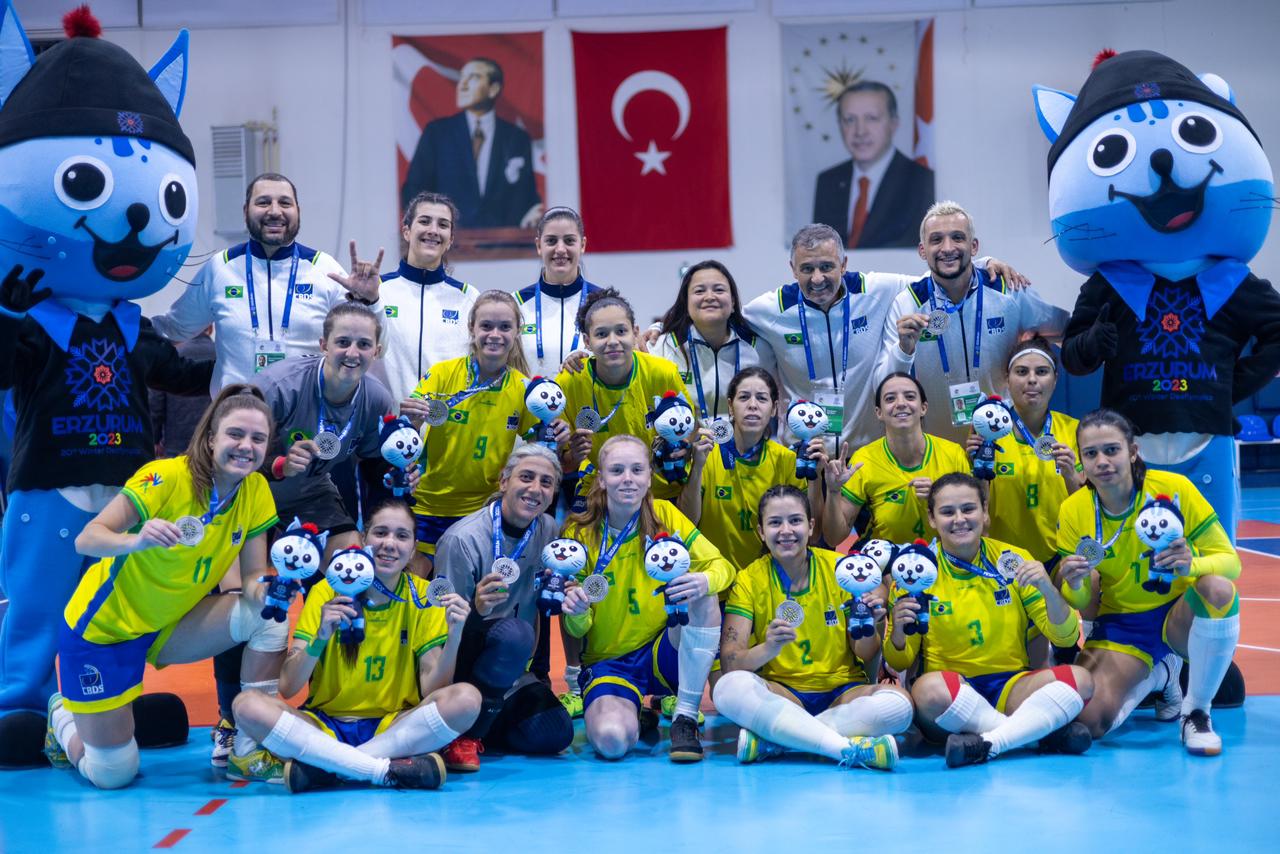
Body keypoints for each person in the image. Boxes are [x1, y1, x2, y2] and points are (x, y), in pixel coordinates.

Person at [43, 386, 285, 789]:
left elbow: (252, 578)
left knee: (267, 617)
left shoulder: (256, 490)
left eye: (258, 439)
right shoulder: (165, 477)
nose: (246, 446)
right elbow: (87, 538)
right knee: (113, 774)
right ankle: (62, 717)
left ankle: (247, 749)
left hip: (170, 626)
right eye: (235, 435)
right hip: (102, 632)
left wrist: (273, 591)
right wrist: (136, 540)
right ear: (211, 438)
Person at [231, 500, 481, 792]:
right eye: (381, 533)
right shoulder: (326, 590)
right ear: (364, 540)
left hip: (394, 726)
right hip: (325, 726)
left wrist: (456, 635)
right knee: (246, 706)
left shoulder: (424, 596)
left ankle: (331, 767)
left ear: (413, 549)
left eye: (402, 536)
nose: (389, 543)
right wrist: (320, 637)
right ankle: (379, 769)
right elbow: (288, 685)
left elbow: (432, 690)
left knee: (467, 699)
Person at [1056, 410, 1241, 755]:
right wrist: (1075, 583)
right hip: (1122, 627)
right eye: (1091, 454)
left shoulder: (1174, 490)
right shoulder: (1073, 510)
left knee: (1218, 590)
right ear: (1081, 459)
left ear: (1133, 451)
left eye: (1111, 450)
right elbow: (1080, 600)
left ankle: (1196, 712)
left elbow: (1231, 563)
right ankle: (1161, 675)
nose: (1102, 461)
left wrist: (1192, 564)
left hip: (1177, 618)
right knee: (1086, 721)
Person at [742, 224, 1026, 449]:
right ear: (793, 269)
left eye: (827, 266)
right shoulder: (770, 309)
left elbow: (939, 276)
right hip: (803, 451)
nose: (817, 278)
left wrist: (983, 263)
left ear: (843, 264)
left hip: (870, 452)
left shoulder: (876, 289)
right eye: (807, 269)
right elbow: (724, 315)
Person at [884, 473, 1092, 768]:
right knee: (929, 692)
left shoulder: (1014, 560)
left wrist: (1048, 590)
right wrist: (899, 633)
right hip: (950, 694)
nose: (959, 519)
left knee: (1081, 680)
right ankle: (1033, 734)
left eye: (968, 509)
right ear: (932, 519)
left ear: (985, 512)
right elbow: (900, 661)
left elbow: (1066, 638)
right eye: (947, 512)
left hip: (1012, 687)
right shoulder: (915, 573)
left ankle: (987, 743)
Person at [712, 485, 910, 769]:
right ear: (760, 531)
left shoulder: (843, 569)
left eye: (795, 520)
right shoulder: (749, 579)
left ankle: (782, 738)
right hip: (782, 694)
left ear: (811, 525)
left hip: (842, 694)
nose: (786, 531)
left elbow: (866, 655)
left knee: (901, 706)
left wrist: (870, 625)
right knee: (727, 687)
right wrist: (768, 648)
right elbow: (731, 663)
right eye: (775, 523)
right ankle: (844, 748)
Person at [560, 435, 729, 761]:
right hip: (611, 662)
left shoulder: (666, 513)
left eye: (637, 470)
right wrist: (577, 610)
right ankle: (634, 710)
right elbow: (578, 629)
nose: (627, 479)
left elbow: (721, 566)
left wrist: (702, 579)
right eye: (617, 470)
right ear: (602, 479)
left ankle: (685, 716)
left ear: (649, 477)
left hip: (665, 649)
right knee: (611, 742)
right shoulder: (579, 534)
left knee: (703, 593)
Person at [152, 172, 384, 392]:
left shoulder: (325, 269)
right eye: (263, 202)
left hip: (304, 422)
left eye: (285, 203)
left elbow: (378, 347)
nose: (275, 211)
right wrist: (121, 323)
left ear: (298, 211)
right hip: (235, 419)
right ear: (245, 211)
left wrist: (370, 302)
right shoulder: (220, 268)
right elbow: (172, 329)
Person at [876, 201, 1069, 444]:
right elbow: (882, 383)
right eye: (936, 240)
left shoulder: (1008, 291)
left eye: (958, 237)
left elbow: (1065, 329)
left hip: (1002, 442)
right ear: (922, 250)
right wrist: (903, 350)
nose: (948, 248)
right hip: (939, 448)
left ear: (973, 246)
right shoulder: (908, 303)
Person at [433, 445, 576, 770]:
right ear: (503, 482)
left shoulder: (550, 531)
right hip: (461, 668)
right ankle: (461, 734)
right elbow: (437, 631)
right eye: (526, 478)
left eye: (546, 482)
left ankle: (477, 724)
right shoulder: (463, 540)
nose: (535, 489)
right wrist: (475, 609)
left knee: (557, 733)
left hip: (512, 671)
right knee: (515, 633)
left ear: (554, 492)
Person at [404, 290, 566, 566]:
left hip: (482, 512)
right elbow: (408, 427)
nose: (495, 334)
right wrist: (411, 418)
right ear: (471, 329)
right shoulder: (442, 374)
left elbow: (542, 451)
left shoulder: (524, 390)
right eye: (486, 326)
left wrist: (559, 434)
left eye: (505, 327)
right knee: (420, 593)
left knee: (467, 597)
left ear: (517, 332)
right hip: (426, 505)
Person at [257, 302, 399, 555]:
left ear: (376, 351)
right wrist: (281, 465)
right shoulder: (280, 386)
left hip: (309, 494)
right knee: (247, 586)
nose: (353, 353)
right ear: (324, 345)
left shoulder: (377, 399)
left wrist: (395, 473)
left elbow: (372, 462)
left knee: (353, 566)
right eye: (343, 342)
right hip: (251, 491)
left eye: (363, 345)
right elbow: (235, 455)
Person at [557, 288, 692, 505]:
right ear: (587, 341)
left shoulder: (663, 373)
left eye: (621, 331)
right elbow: (566, 465)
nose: (612, 341)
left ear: (635, 332)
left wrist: (682, 449)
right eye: (601, 334)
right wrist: (574, 455)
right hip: (602, 494)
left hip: (663, 492)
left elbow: (690, 432)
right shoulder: (569, 382)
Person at [678, 367, 823, 569]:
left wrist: (816, 477)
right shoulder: (708, 454)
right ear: (730, 406)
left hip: (766, 584)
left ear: (774, 409)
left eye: (762, 399)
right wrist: (697, 468)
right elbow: (687, 523)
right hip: (714, 580)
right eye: (744, 397)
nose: (752, 405)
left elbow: (812, 535)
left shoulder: (787, 460)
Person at [967, 337, 1085, 565]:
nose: (1032, 380)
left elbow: (1087, 507)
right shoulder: (988, 430)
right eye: (1022, 372)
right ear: (1007, 380)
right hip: (1002, 558)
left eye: (1041, 372)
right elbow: (976, 504)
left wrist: (1070, 474)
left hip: (1059, 557)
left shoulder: (1075, 430)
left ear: (1055, 380)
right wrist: (976, 467)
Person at [823, 373, 969, 546]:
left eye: (910, 396)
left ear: (923, 407)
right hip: (885, 564)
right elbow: (834, 538)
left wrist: (940, 496)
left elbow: (973, 521)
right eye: (890, 398)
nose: (900, 404)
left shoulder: (953, 454)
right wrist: (833, 491)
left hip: (944, 560)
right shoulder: (865, 459)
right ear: (879, 412)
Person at [400, 57, 541, 230]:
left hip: (504, 247)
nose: (462, 85)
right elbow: (413, 190)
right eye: (462, 78)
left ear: (493, 89)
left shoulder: (517, 138)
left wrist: (532, 213)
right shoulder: (438, 133)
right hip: (448, 246)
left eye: (473, 77)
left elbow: (528, 198)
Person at [378, 192, 479, 405]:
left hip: (448, 427)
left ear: (450, 239)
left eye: (443, 225)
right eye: (424, 221)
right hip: (389, 427)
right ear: (406, 231)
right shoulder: (377, 290)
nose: (433, 230)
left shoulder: (469, 298)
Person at [812, 81, 934, 250]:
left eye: (871, 118)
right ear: (840, 126)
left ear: (894, 124)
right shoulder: (828, 181)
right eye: (849, 120)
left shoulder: (921, 182)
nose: (860, 131)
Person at [651, 261, 773, 421]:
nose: (709, 297)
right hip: (688, 444)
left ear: (733, 302)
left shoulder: (758, 349)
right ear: (686, 303)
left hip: (744, 444)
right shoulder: (663, 347)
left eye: (719, 290)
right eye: (699, 291)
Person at [512, 207, 603, 379]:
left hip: (588, 405)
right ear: (539, 246)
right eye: (551, 241)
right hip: (529, 405)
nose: (560, 249)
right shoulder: (515, 304)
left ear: (582, 245)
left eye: (569, 241)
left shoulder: (603, 303)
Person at [149, 327, 215, 457]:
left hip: (175, 443)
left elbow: (155, 403)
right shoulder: (225, 357)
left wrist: (154, 439)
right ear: (211, 328)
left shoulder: (170, 355)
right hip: (213, 443)